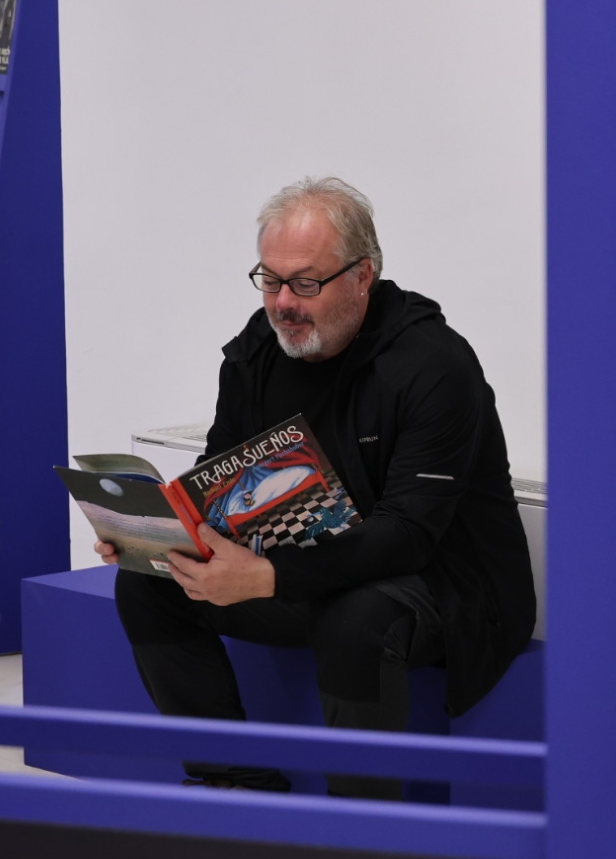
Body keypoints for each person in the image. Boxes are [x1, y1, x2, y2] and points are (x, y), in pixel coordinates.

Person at [102, 177, 536, 798]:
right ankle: (237, 783)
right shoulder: (257, 352)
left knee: (355, 620)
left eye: (306, 282)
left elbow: (411, 536)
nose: (283, 302)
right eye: (271, 279)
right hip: (304, 561)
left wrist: (267, 579)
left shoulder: (433, 365)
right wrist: (153, 535)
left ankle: (360, 831)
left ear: (363, 276)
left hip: (445, 584)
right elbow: (219, 483)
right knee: (146, 587)